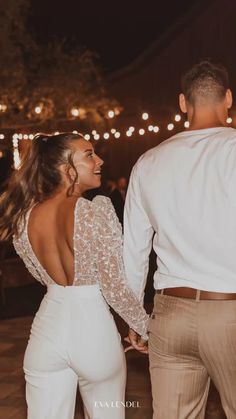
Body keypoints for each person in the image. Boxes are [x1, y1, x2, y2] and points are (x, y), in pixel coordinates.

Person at [0, 132, 149, 419]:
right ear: (66, 168)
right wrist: (145, 328)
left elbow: (41, 276)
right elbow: (114, 287)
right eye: (89, 154)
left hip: (47, 332)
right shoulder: (96, 211)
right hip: (93, 333)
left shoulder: (25, 217)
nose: (100, 160)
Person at [123, 61, 236, 418]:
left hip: (170, 316)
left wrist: (134, 319)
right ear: (228, 99)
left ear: (183, 104)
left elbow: (134, 250)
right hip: (230, 311)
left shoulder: (148, 162)